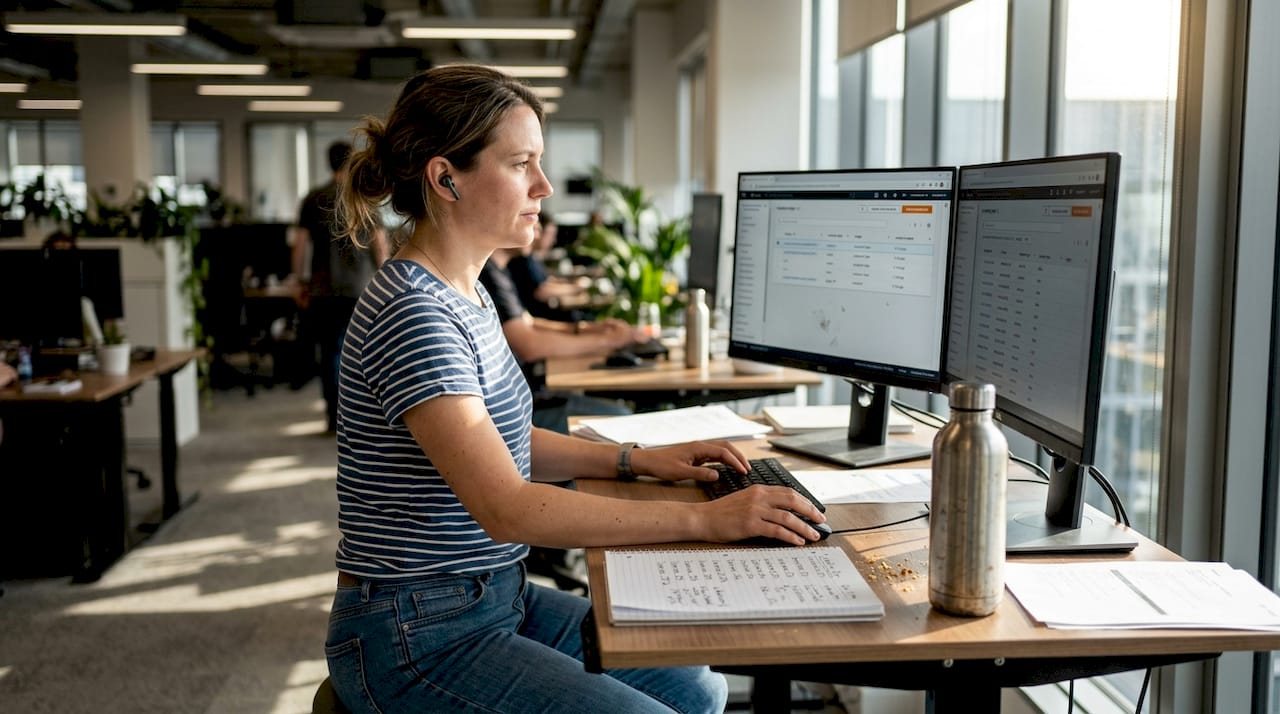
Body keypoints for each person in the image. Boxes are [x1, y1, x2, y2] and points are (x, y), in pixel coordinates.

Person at [325, 64, 827, 713]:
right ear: (446, 177)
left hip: (492, 595)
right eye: (521, 164)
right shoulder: (413, 311)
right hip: (415, 632)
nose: (544, 185)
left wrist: (635, 459)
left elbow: (502, 443)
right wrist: (706, 518)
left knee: (697, 688)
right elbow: (507, 506)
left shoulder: (467, 293)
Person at [480, 246, 638, 433]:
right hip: (524, 411)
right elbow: (529, 345)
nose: (537, 226)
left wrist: (589, 329)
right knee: (624, 418)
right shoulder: (487, 274)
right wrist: (608, 341)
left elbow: (528, 322)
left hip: (530, 396)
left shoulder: (499, 271)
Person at [292, 140, 389, 432]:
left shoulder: (314, 198)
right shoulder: (364, 196)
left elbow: (298, 246)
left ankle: (334, 417)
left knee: (330, 353)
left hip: (324, 290)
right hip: (362, 290)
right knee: (362, 354)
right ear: (351, 162)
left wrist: (298, 281)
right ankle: (357, 417)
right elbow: (380, 244)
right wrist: (386, 281)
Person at [506, 213, 592, 320]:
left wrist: (571, 284)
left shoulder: (532, 258)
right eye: (550, 234)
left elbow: (546, 281)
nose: (553, 240)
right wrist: (575, 288)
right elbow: (541, 291)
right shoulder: (522, 259)